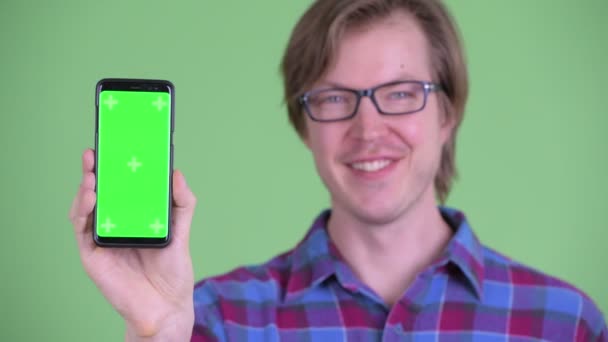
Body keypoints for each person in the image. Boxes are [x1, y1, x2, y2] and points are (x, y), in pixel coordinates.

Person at [70, 0, 607, 341]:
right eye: (333, 98)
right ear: (304, 125)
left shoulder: (567, 323)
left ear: (449, 113)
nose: (368, 128)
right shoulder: (213, 321)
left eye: (400, 93)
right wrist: (156, 329)